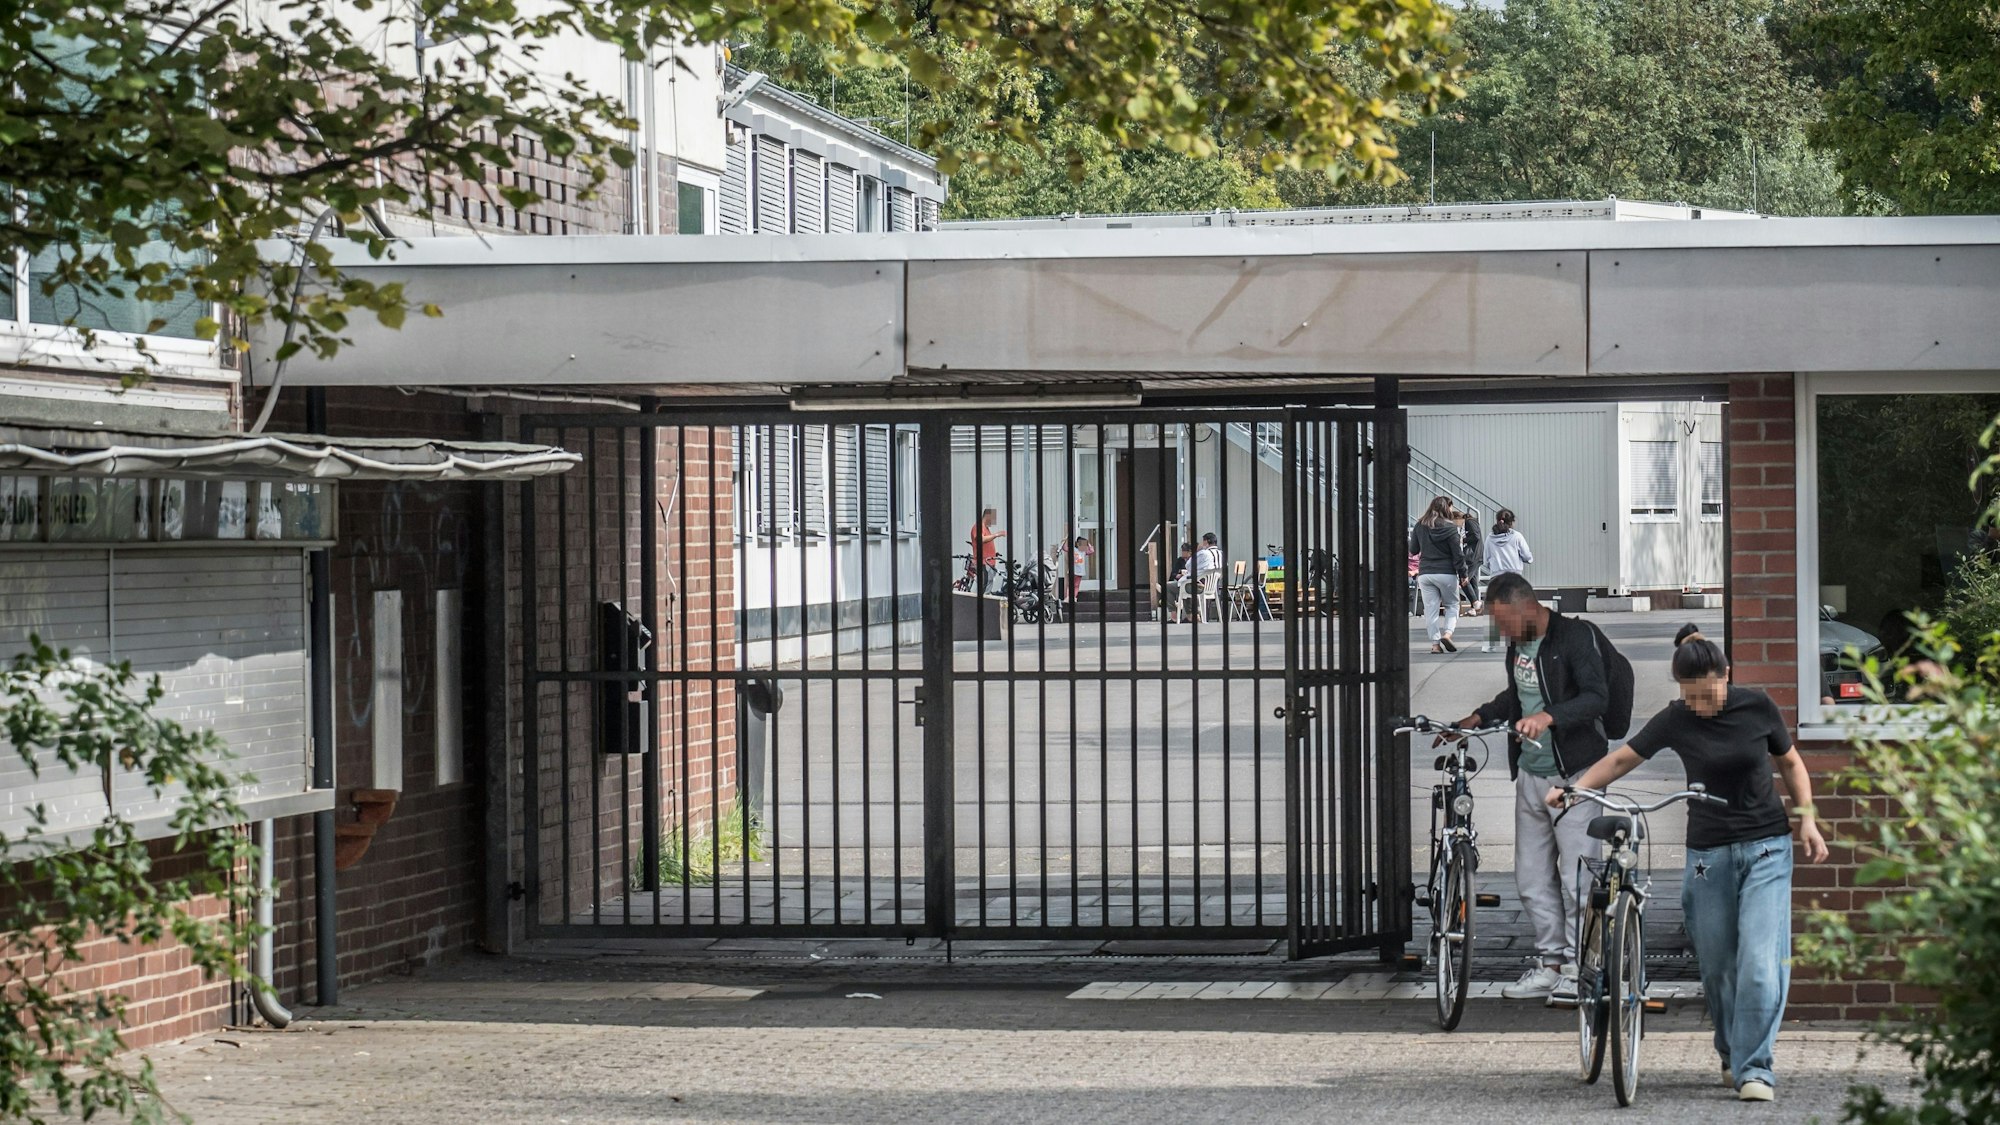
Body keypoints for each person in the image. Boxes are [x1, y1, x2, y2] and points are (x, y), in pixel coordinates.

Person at [1548, 625, 1828, 1104]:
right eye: (1691, 697)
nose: (1701, 705)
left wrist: (1807, 819)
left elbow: (1791, 764)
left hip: (1765, 846)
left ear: (1726, 675)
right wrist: (1574, 788)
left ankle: (1756, 1068)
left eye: (1708, 694)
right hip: (1707, 854)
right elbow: (1621, 761)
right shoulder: (1677, 718)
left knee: (1760, 963)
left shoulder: (1757, 706)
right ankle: (1730, 1052)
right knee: (1718, 965)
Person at [1455, 570, 1611, 1003]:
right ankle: (1550, 964)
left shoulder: (1573, 638)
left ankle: (1584, 970)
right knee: (1531, 876)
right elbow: (1517, 696)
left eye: (1505, 622)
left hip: (1576, 771)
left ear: (1527, 606)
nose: (1501, 632)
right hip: (1530, 771)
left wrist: (1550, 717)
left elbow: (1598, 697)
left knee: (1578, 877)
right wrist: (1480, 716)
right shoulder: (1517, 644)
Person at [1410, 496, 1464, 654]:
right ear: (1447, 508)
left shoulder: (1420, 525)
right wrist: (1463, 574)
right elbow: (1458, 555)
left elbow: (1413, 550)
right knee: (1452, 605)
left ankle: (1435, 645)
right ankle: (1447, 634)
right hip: (1446, 572)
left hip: (1426, 573)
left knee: (1430, 610)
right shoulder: (1451, 528)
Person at [1481, 508, 1534, 653]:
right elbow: (1528, 556)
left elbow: (1485, 560)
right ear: (1512, 522)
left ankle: (1489, 644)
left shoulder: (1490, 538)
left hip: (1496, 578)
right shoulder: (1517, 537)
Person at [970, 507, 1005, 594]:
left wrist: (993, 553)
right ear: (988, 516)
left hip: (990, 563)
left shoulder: (986, 528)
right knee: (984, 587)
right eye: (993, 518)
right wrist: (997, 534)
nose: (993, 522)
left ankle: (986, 604)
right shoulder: (978, 526)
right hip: (984, 563)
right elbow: (981, 539)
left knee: (988, 587)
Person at [1456, 507, 1483, 616]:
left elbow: (1476, 537)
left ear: (1459, 518)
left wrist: (1463, 540)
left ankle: (1476, 603)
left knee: (1464, 580)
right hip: (1476, 556)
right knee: (1473, 582)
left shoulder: (1469, 522)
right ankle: (1474, 608)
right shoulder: (1470, 523)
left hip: (1472, 556)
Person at [1193, 532, 1225, 623]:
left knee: (1185, 585)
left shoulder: (1205, 553)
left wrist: (1197, 551)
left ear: (1206, 542)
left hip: (1203, 582)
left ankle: (1193, 615)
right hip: (1215, 582)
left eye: (1203, 541)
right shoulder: (1221, 553)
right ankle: (1204, 616)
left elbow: (1192, 566)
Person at [1167, 542, 1196, 623]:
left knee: (1182, 589)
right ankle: (1174, 615)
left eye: (1184, 551)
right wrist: (1178, 575)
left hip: (1191, 583)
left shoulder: (1194, 560)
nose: (1182, 552)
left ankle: (1189, 615)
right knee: (1169, 586)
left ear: (1189, 552)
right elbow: (1173, 574)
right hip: (1181, 581)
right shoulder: (1180, 560)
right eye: (1182, 550)